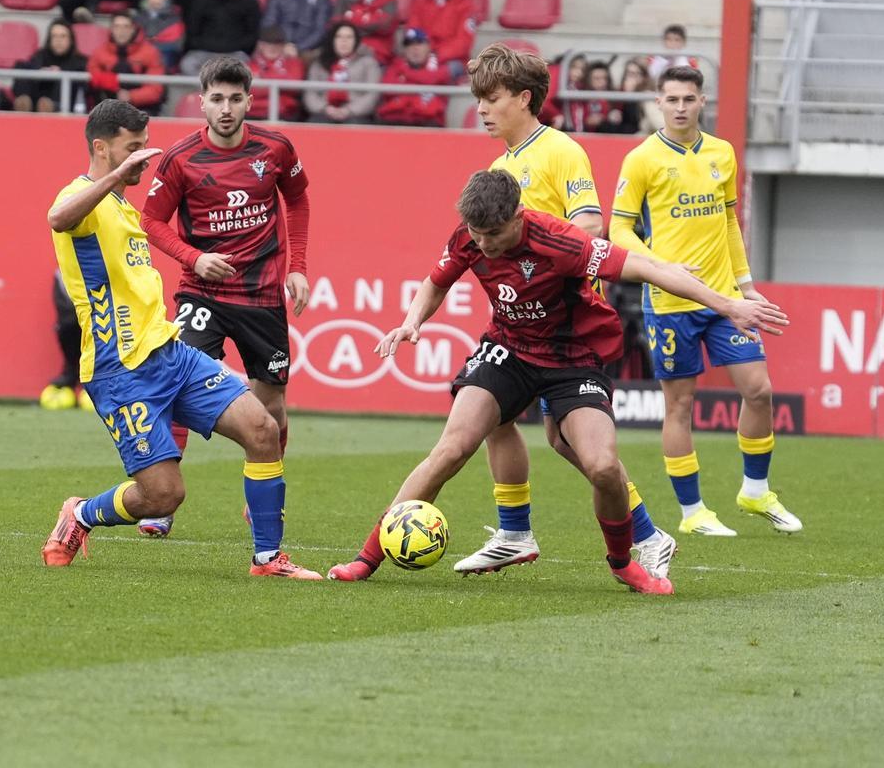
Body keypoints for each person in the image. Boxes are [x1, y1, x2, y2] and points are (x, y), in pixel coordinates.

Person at [326, 170, 789, 586]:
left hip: (573, 357)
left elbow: (643, 268)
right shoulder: (469, 236)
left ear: (516, 217)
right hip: (507, 348)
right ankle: (368, 558)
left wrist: (729, 305)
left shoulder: (560, 241)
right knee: (452, 448)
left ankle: (622, 560)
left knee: (602, 466)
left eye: (491, 233)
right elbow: (437, 280)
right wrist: (414, 321)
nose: (482, 244)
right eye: (475, 232)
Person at [41, 99, 321, 580]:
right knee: (163, 495)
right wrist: (113, 177)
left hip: (171, 354)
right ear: (101, 148)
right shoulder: (84, 195)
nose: (143, 158)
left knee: (263, 429)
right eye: (133, 149)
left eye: (144, 147)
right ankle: (81, 514)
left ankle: (268, 559)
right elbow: (58, 218)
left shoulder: (122, 207)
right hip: (121, 370)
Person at [445, 43, 682, 579]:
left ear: (524, 99)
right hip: (525, 317)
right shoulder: (500, 165)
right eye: (478, 98)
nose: (481, 109)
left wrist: (541, 262)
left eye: (491, 97)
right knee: (502, 415)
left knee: (565, 440)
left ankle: (640, 533)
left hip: (568, 318)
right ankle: (515, 531)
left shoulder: (560, 151)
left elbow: (591, 227)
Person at [610, 65, 803, 537]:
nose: (680, 107)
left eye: (688, 99)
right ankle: (693, 511)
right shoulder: (642, 159)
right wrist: (660, 266)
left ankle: (755, 491)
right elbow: (618, 229)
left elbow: (729, 224)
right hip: (670, 302)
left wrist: (746, 284)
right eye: (672, 99)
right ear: (658, 102)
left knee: (758, 390)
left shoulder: (722, 153)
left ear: (701, 102)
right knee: (679, 406)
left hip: (724, 299)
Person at [139, 57, 312, 538]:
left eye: (236, 98)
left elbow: (297, 200)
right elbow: (150, 221)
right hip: (202, 292)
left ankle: (263, 496)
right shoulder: (180, 159)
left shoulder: (275, 148)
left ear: (249, 101)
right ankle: (161, 502)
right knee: (177, 386)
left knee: (271, 402)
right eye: (217, 98)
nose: (227, 108)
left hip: (261, 296)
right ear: (202, 102)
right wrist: (193, 258)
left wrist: (297, 268)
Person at [179, 0, 262, 77]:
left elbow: (253, 34)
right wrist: (210, 47)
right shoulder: (201, 0)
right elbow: (192, 32)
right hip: (204, 52)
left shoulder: (249, 0)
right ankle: (209, 91)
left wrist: (233, 47)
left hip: (236, 53)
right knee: (187, 64)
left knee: (247, 69)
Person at [87, 11, 166, 116]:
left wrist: (130, 96)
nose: (121, 31)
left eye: (126, 27)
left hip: (142, 111)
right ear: (111, 30)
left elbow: (155, 89)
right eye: (117, 27)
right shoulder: (99, 52)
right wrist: (114, 86)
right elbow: (92, 75)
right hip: (107, 110)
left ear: (133, 29)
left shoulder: (150, 53)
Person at [39, 272, 97, 411]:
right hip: (72, 268)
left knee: (102, 324)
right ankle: (70, 372)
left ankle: (99, 373)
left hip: (107, 268)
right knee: (67, 323)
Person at [304, 22, 380, 124]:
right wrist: (325, 108)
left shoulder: (368, 63)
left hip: (356, 114)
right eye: (339, 37)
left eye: (349, 37)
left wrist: (349, 110)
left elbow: (372, 95)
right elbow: (310, 94)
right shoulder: (319, 62)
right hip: (324, 111)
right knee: (316, 125)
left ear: (356, 41)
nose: (344, 41)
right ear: (332, 40)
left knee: (355, 125)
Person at [405, 0, 476, 79]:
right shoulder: (421, 3)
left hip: (452, 60)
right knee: (400, 67)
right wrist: (425, 54)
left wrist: (437, 55)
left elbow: (463, 43)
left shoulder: (466, 6)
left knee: (444, 72)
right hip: (422, 55)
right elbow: (413, 32)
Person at [374, 27, 449, 128]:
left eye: (419, 43)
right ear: (405, 50)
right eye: (409, 44)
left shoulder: (440, 65)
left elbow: (431, 79)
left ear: (429, 46)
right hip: (396, 120)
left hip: (427, 122)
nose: (414, 48)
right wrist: (419, 83)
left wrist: (406, 73)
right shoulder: (395, 65)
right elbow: (388, 89)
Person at [13, 19, 88, 114]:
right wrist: (40, 71)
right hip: (35, 100)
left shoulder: (80, 61)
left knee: (47, 101)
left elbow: (81, 90)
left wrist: (60, 72)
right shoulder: (40, 55)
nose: (58, 40)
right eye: (54, 36)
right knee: (21, 68)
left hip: (65, 106)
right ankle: (23, 106)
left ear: (71, 40)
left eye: (63, 36)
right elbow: (24, 68)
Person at [261, 0, 332, 61]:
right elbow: (269, 23)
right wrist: (282, 45)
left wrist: (298, 48)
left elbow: (320, 30)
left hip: (308, 51)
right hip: (278, 47)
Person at [331, 0, 398, 66]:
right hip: (347, 44)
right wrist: (368, 20)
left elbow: (385, 26)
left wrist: (353, 19)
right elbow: (336, 23)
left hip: (376, 48)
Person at [248, 24, 305, 121]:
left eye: (277, 44)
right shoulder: (249, 65)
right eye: (267, 43)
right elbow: (248, 92)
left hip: (285, 115)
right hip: (253, 115)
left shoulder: (294, 63)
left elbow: (294, 87)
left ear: (284, 46)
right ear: (260, 45)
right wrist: (280, 83)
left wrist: (262, 81)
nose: (272, 48)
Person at [134, 0, 185, 70]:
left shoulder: (174, 19)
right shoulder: (138, 17)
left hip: (165, 55)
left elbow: (177, 45)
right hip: (141, 54)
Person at [567, 60, 622, 133]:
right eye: (597, 79)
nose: (603, 82)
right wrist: (587, 121)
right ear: (588, 80)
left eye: (605, 78)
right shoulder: (581, 97)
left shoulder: (614, 97)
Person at [617, 57, 658, 136]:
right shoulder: (621, 92)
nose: (629, 78)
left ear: (644, 77)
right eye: (627, 74)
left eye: (633, 74)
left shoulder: (648, 96)